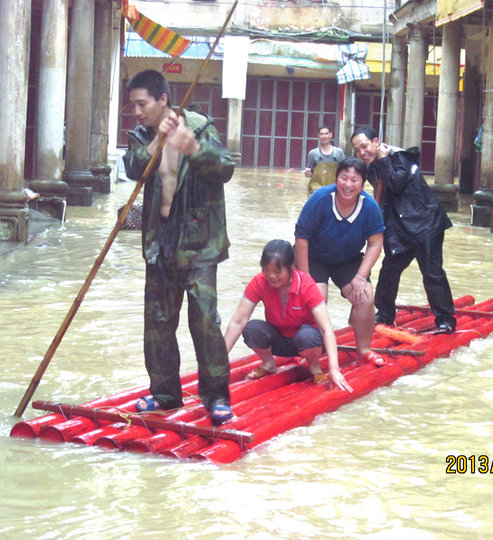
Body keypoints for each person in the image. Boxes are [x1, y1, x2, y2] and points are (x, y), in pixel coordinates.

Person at [122, 69, 235, 426]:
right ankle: (165, 394)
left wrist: (194, 150)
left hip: (199, 243)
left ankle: (216, 398)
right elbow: (133, 169)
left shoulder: (200, 128)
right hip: (160, 242)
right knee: (157, 323)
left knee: (204, 323)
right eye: (133, 105)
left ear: (163, 101)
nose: (137, 112)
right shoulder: (142, 135)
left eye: (143, 104)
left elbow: (226, 169)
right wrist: (157, 143)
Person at [351, 125, 456, 334]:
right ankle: (384, 315)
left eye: (364, 146)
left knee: (432, 273)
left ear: (375, 141)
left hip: (426, 225)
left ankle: (445, 320)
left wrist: (382, 159)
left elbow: (396, 184)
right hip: (401, 230)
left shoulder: (399, 157)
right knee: (390, 270)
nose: (362, 152)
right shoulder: (372, 166)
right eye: (357, 150)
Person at [224, 240, 353, 392]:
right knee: (252, 329)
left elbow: (326, 330)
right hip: (279, 339)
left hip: (308, 342)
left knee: (307, 335)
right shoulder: (259, 282)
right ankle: (268, 363)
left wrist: (334, 370)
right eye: (266, 270)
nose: (271, 276)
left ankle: (314, 366)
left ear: (291, 267)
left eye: (278, 271)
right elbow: (238, 321)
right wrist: (219, 361)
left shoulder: (306, 285)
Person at [295, 157, 386, 366]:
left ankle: (363, 349)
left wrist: (361, 277)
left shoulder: (369, 206)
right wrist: (305, 277)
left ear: (363, 184)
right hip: (314, 256)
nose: (348, 185)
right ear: (336, 179)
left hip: (348, 258)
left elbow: (375, 244)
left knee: (364, 297)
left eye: (355, 180)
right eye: (344, 178)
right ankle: (311, 350)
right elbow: (301, 238)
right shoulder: (320, 199)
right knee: (316, 297)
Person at [304, 126, 346, 194]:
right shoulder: (313, 153)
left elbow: (345, 171)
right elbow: (310, 173)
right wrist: (307, 174)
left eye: (326, 133)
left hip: (335, 189)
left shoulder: (339, 152)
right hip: (318, 190)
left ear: (330, 135)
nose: (324, 136)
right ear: (318, 136)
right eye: (321, 134)